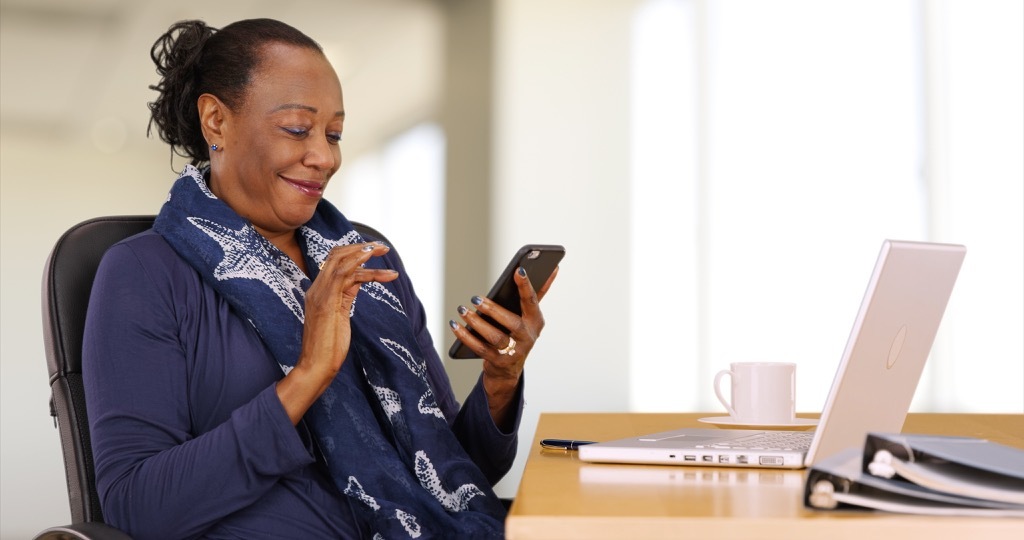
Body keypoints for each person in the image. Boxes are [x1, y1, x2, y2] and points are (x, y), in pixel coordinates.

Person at [82, 18, 558, 539]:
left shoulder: (365, 259)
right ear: (216, 121)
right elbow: (136, 508)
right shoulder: (143, 273)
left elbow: (454, 480)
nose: (325, 157)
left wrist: (500, 381)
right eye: (296, 129)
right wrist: (308, 375)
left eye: (333, 134)